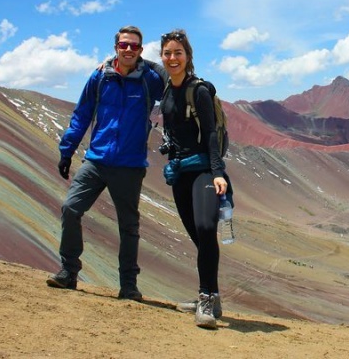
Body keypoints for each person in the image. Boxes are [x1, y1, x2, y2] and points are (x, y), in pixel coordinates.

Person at [47, 25, 165, 301]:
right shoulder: (100, 77)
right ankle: (68, 272)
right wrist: (67, 150)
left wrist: (145, 63)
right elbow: (82, 114)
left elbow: (173, 80)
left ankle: (128, 286)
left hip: (130, 164)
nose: (128, 50)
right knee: (71, 208)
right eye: (123, 45)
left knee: (128, 226)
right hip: (96, 160)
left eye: (134, 46)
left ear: (141, 50)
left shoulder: (149, 80)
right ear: (115, 47)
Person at [159, 29, 230, 329]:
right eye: (167, 53)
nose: (172, 58)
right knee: (197, 237)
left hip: (202, 171)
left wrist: (217, 173)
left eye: (178, 53)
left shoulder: (198, 90)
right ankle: (212, 296)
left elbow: (211, 133)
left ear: (188, 56)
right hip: (180, 174)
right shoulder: (166, 90)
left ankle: (205, 299)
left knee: (205, 228)